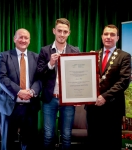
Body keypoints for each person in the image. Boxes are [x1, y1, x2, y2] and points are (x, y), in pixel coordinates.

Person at [0, 28, 42, 150]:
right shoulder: (4, 56)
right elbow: (2, 77)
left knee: (29, 143)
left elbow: (40, 79)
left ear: (30, 41)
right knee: (7, 143)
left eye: (26, 38)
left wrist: (31, 92)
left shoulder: (36, 57)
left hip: (29, 107)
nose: (23, 40)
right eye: (20, 37)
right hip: (9, 106)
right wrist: (19, 92)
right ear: (15, 39)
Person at [86, 24, 131, 150]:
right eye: (106, 34)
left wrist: (104, 97)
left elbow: (124, 81)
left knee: (111, 142)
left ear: (117, 38)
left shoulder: (124, 56)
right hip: (93, 107)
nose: (108, 37)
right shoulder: (93, 55)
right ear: (101, 37)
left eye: (112, 34)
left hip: (113, 107)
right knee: (94, 141)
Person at [37, 18, 80, 150]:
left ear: (69, 33)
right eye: (59, 31)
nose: (62, 34)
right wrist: (50, 64)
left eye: (65, 32)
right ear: (54, 31)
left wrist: (79, 96)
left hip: (68, 100)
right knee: (48, 135)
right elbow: (38, 74)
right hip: (50, 99)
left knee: (66, 135)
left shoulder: (75, 50)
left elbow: (78, 76)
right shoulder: (45, 50)